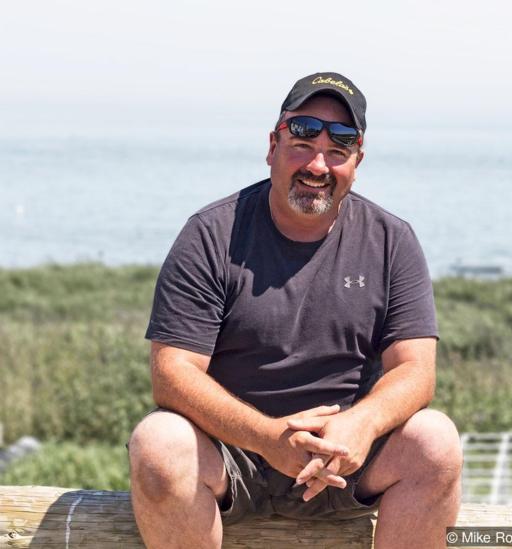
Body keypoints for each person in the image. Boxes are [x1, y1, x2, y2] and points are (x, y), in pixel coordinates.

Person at [127, 72, 462, 549]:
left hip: (345, 459)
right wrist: (267, 438)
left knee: (436, 441)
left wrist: (361, 425)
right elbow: (171, 372)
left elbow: (416, 371)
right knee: (159, 443)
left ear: (357, 162)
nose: (317, 165)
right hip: (232, 455)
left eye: (338, 150)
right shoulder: (210, 234)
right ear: (273, 146)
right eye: (303, 143)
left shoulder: (392, 240)